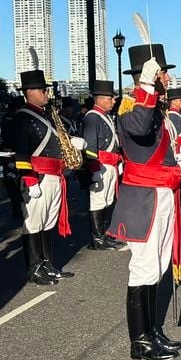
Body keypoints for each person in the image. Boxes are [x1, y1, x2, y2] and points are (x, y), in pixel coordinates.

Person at [106, 44, 181, 360]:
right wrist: (146, 88)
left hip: (161, 193)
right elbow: (137, 128)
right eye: (162, 72)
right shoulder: (129, 106)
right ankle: (139, 340)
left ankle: (152, 331)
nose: (167, 77)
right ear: (148, 75)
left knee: (156, 267)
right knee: (142, 269)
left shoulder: (155, 108)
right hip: (143, 199)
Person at [13, 66, 82, 285]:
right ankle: (34, 268)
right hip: (38, 177)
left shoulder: (48, 115)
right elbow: (20, 152)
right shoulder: (22, 118)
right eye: (42, 89)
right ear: (29, 92)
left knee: (47, 223)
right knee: (34, 223)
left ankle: (47, 264)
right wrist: (31, 180)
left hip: (53, 176)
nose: (46, 93)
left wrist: (71, 143)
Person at [81, 79, 124, 251]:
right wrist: (94, 169)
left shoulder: (104, 116)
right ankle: (97, 238)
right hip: (100, 165)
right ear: (100, 99)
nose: (114, 101)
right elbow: (90, 147)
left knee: (107, 200)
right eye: (111, 98)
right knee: (98, 201)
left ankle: (104, 234)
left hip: (110, 164)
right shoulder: (92, 117)